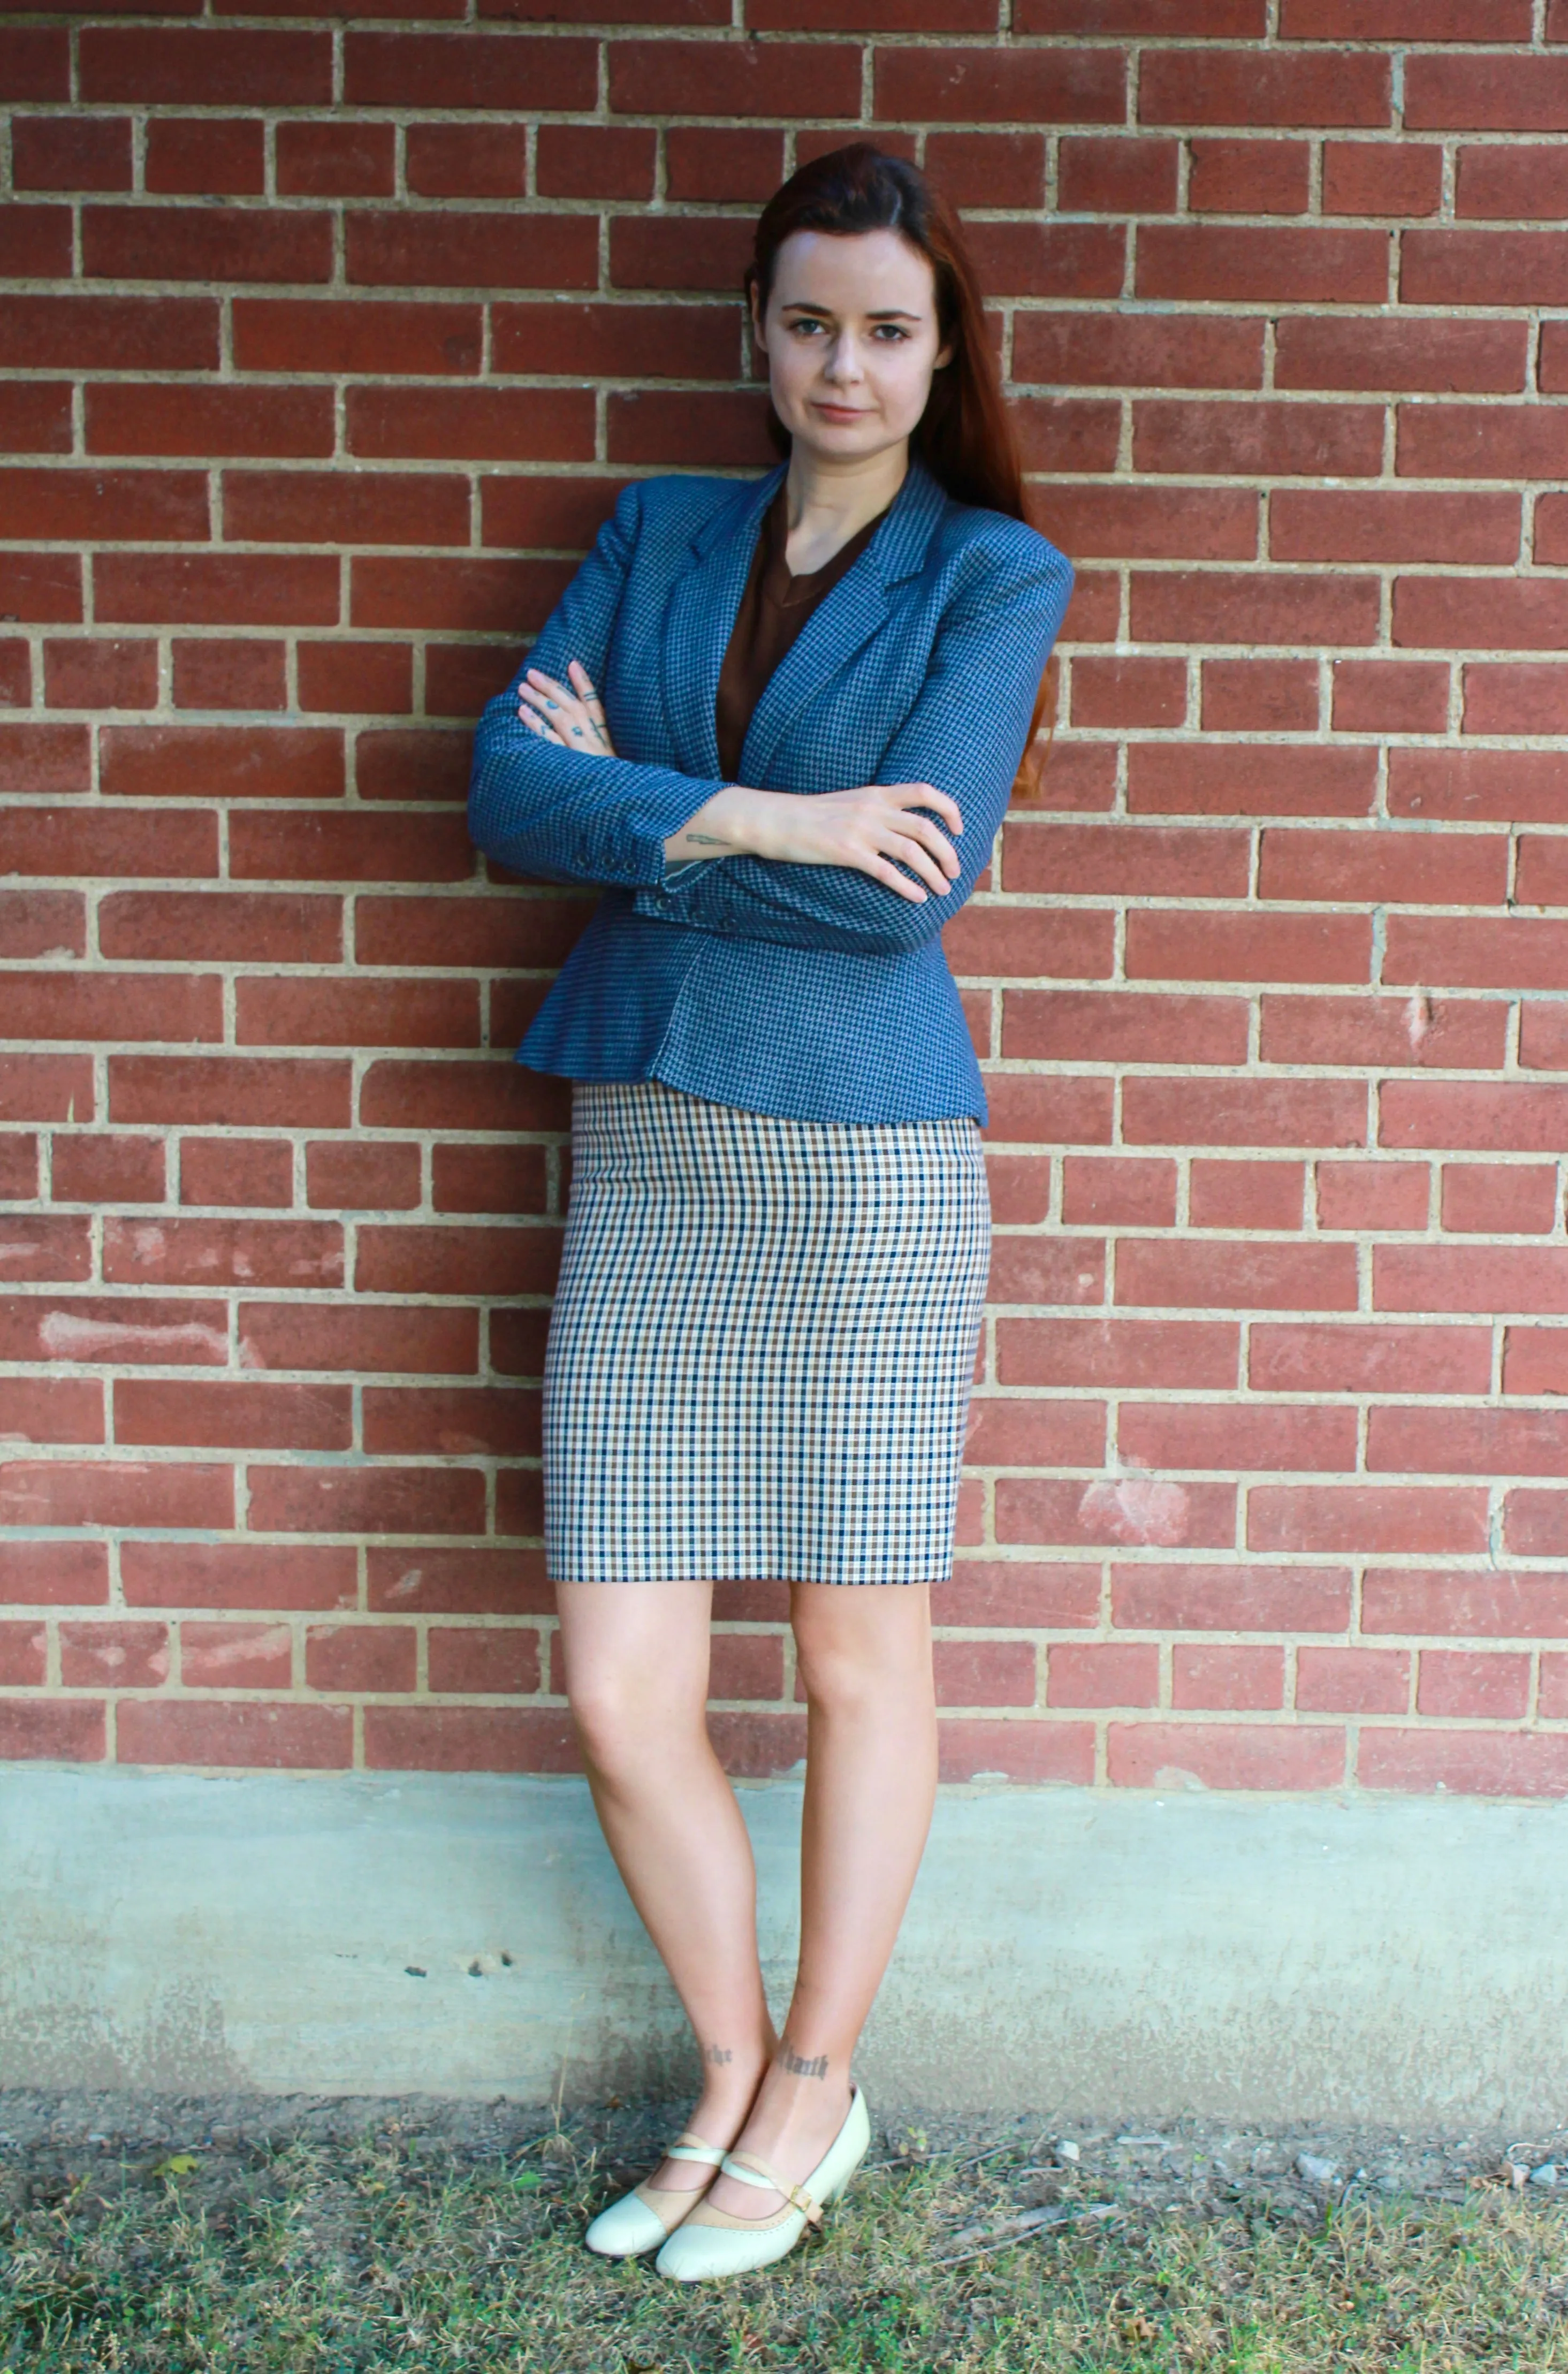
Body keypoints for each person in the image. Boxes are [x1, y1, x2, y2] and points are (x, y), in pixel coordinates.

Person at [466, 141, 1074, 2284]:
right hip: (644, 1137)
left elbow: (914, 882)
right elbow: (496, 789)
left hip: (861, 1163)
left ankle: (819, 2079)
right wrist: (763, 808)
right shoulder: (657, 532)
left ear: (941, 350)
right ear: (758, 330)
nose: (845, 362)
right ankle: (730, 2066)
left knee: (849, 1648)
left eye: (889, 329)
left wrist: (640, 811)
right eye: (809, 320)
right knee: (623, 1671)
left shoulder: (995, 574)